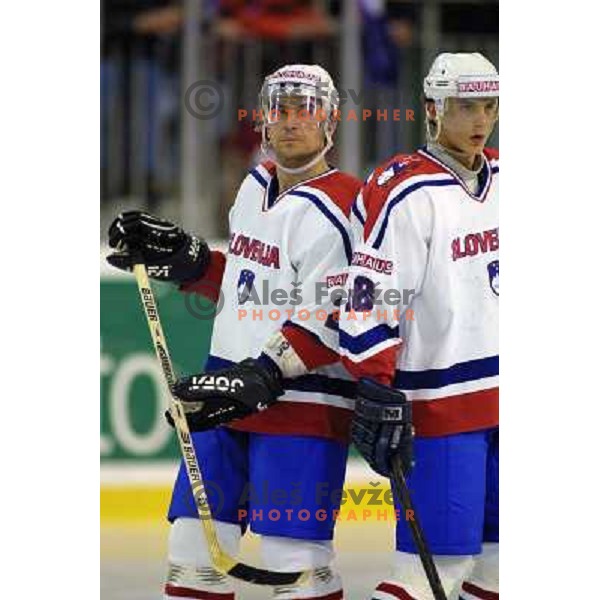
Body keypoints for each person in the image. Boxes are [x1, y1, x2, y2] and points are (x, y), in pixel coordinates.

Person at [107, 64, 361, 600]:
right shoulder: (254, 186)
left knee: (294, 564)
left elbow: (330, 319)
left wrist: (263, 375)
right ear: (265, 122)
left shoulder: (344, 208)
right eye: (280, 111)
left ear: (330, 121)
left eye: (306, 111)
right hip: (227, 391)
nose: (292, 123)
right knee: (192, 555)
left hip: (302, 403)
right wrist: (188, 261)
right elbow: (248, 282)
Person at [339, 53, 499, 600]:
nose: (480, 120)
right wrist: (376, 383)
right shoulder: (405, 190)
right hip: (443, 407)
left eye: (488, 106)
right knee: (437, 573)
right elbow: (368, 294)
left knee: (505, 569)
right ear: (433, 108)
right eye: (465, 107)